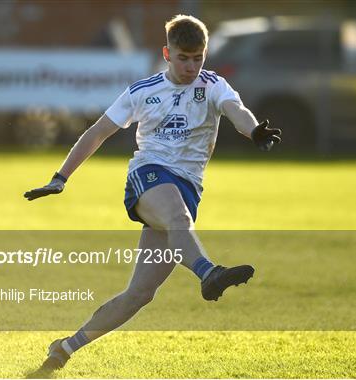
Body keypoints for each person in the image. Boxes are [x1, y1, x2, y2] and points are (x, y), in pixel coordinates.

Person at [24, 14, 281, 376]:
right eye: (183, 58)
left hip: (187, 188)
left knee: (140, 294)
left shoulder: (213, 85)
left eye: (198, 58)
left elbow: (235, 111)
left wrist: (254, 131)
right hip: (148, 175)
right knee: (178, 217)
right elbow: (97, 132)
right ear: (166, 53)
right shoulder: (142, 91)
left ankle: (64, 348)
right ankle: (209, 272)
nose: (191, 66)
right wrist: (60, 177)